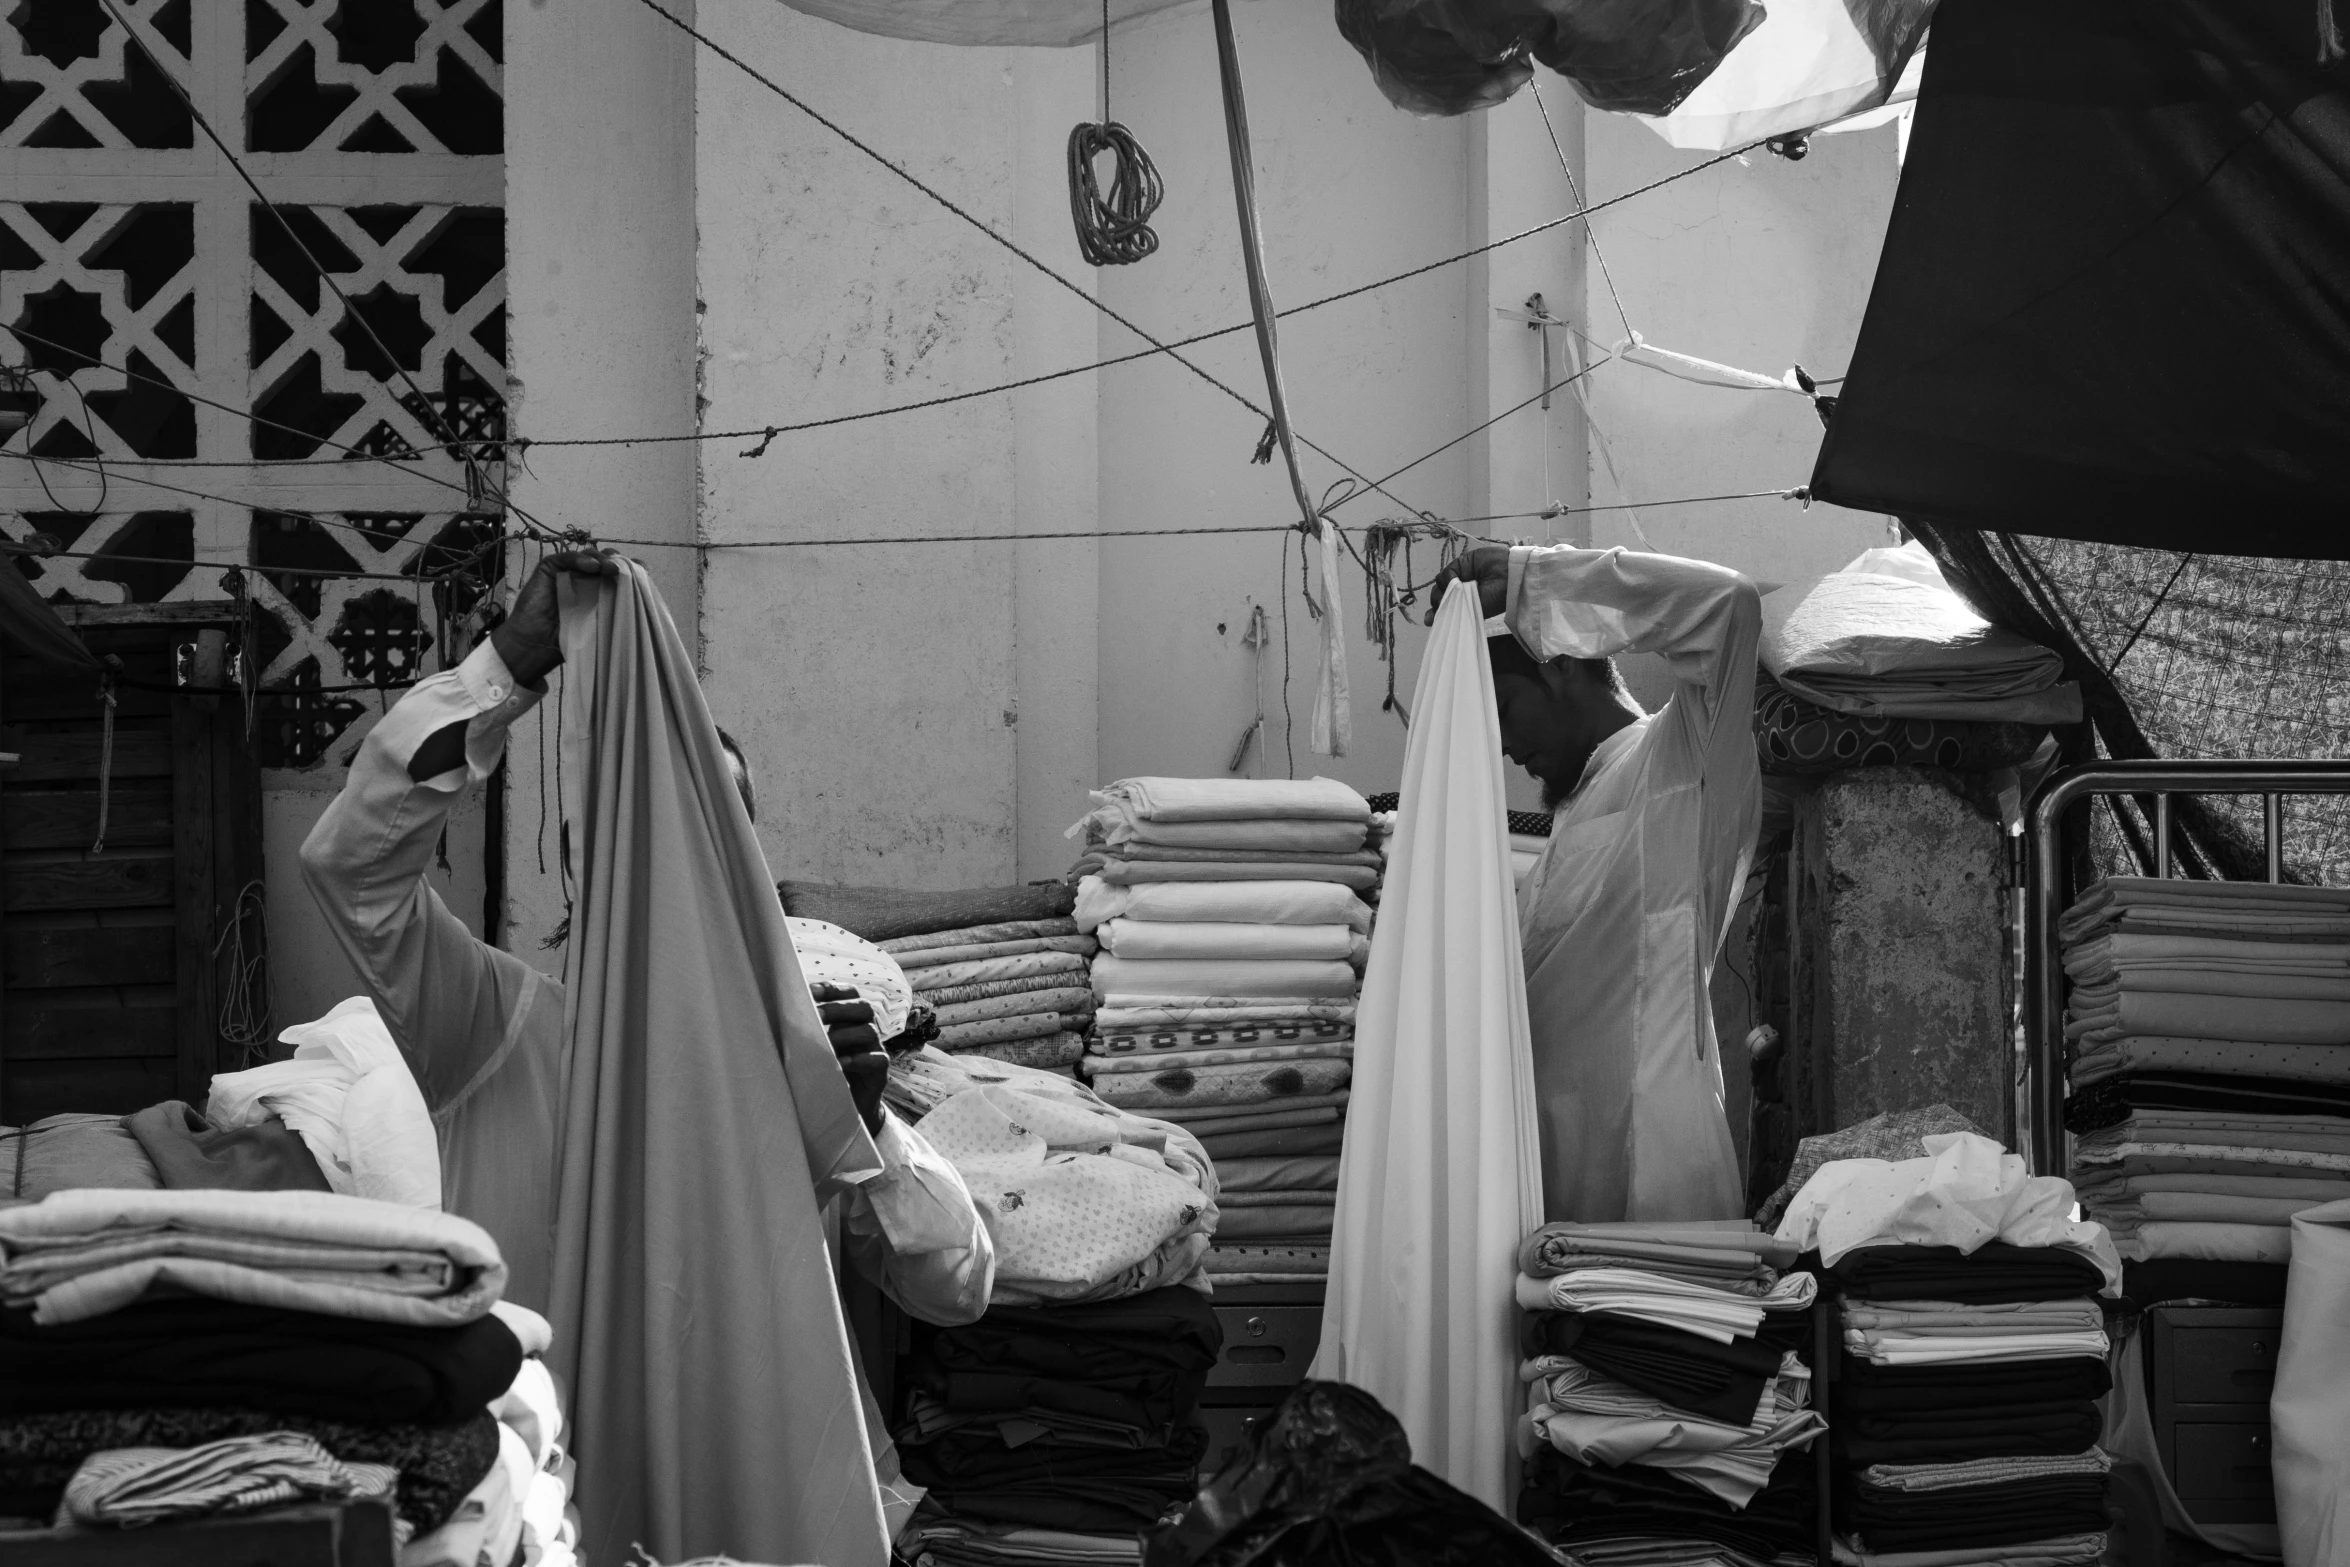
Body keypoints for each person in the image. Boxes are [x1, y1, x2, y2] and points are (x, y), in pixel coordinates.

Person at [298, 550, 993, 1325]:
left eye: (713, 842)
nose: (679, 876)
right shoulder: (494, 1025)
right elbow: (350, 863)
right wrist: (504, 665)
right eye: (649, 838)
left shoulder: (794, 1065)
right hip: (555, 1444)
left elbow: (956, 1290)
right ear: (574, 858)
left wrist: (868, 1128)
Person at [1436, 542, 1761, 1223]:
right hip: (1562, 1202)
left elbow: (1729, 609)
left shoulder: (1675, 758)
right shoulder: (1572, 814)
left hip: (1654, 1185)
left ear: (1558, 667)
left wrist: (1535, 580)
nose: (1498, 742)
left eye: (1501, 705)